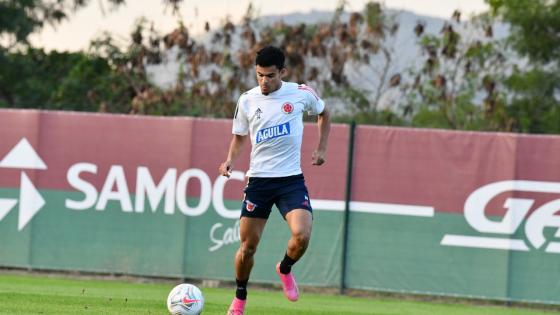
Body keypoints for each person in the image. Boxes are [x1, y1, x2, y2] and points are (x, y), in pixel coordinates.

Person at [218, 46, 330, 315]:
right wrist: (230, 160)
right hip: (259, 182)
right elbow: (239, 136)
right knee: (247, 247)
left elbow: (325, 113)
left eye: (269, 76)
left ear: (282, 72)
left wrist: (321, 148)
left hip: (290, 180)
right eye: (259, 75)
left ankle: (285, 268)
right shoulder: (247, 100)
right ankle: (240, 298)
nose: (264, 81)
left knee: (302, 236)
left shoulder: (300, 93)